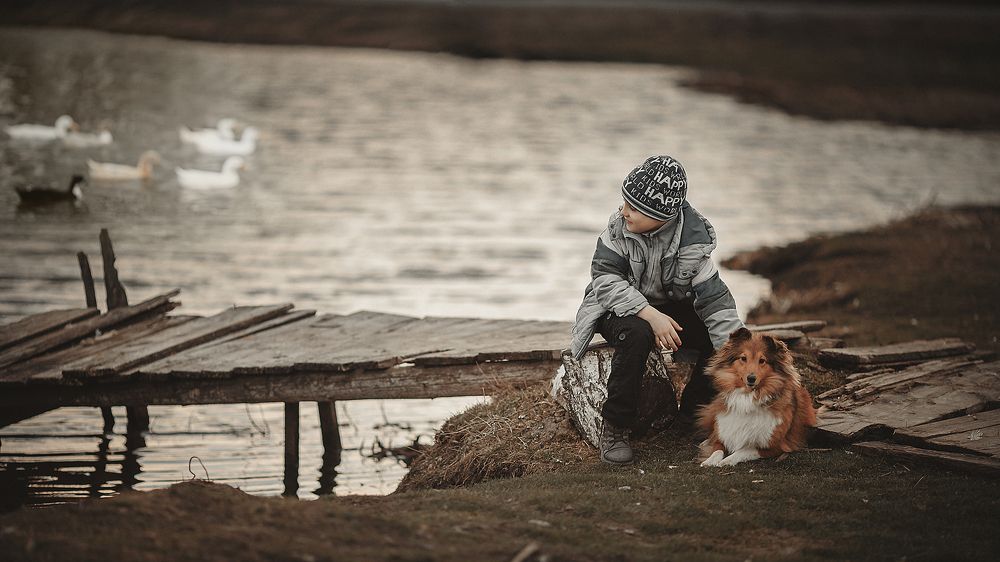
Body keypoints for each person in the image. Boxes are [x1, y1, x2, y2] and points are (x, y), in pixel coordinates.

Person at [569, 155, 743, 465]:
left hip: (666, 308)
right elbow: (604, 282)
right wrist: (650, 315)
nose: (624, 211)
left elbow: (717, 303)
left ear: (661, 214)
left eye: (633, 208)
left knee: (716, 338)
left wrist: (739, 357)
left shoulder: (694, 243)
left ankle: (691, 414)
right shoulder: (618, 230)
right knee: (638, 334)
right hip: (615, 307)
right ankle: (616, 427)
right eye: (624, 202)